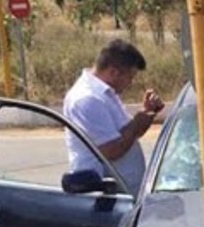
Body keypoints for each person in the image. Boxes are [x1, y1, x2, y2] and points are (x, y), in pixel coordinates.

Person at [62, 38, 165, 193]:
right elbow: (112, 150)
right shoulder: (88, 99)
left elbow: (129, 135)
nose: (130, 83)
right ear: (113, 72)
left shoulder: (107, 94)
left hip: (127, 194)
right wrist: (137, 122)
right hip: (108, 198)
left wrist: (148, 112)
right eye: (130, 77)